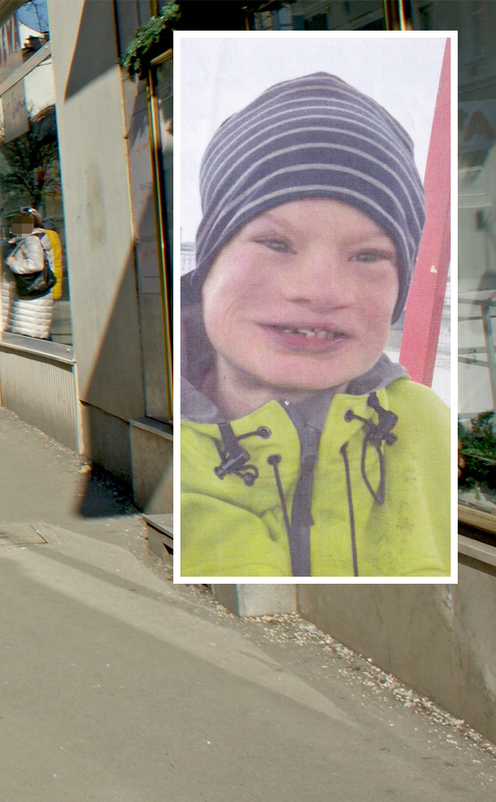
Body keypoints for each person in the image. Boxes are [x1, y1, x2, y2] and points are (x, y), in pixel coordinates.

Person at [179, 72, 450, 578]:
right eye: (276, 243)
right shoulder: (161, 439)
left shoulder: (426, 425)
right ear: (209, 264)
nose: (320, 290)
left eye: (368, 255)